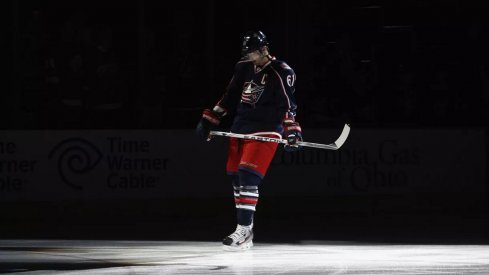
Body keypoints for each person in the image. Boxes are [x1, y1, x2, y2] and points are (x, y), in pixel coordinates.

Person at [196, 30, 302, 251]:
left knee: (248, 175)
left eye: (252, 53)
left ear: (264, 50)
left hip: (267, 129)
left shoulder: (281, 71)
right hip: (241, 127)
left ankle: (243, 229)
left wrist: (291, 129)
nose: (249, 57)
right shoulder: (243, 67)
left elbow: (288, 104)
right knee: (236, 177)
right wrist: (211, 118)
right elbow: (230, 95)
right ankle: (246, 231)